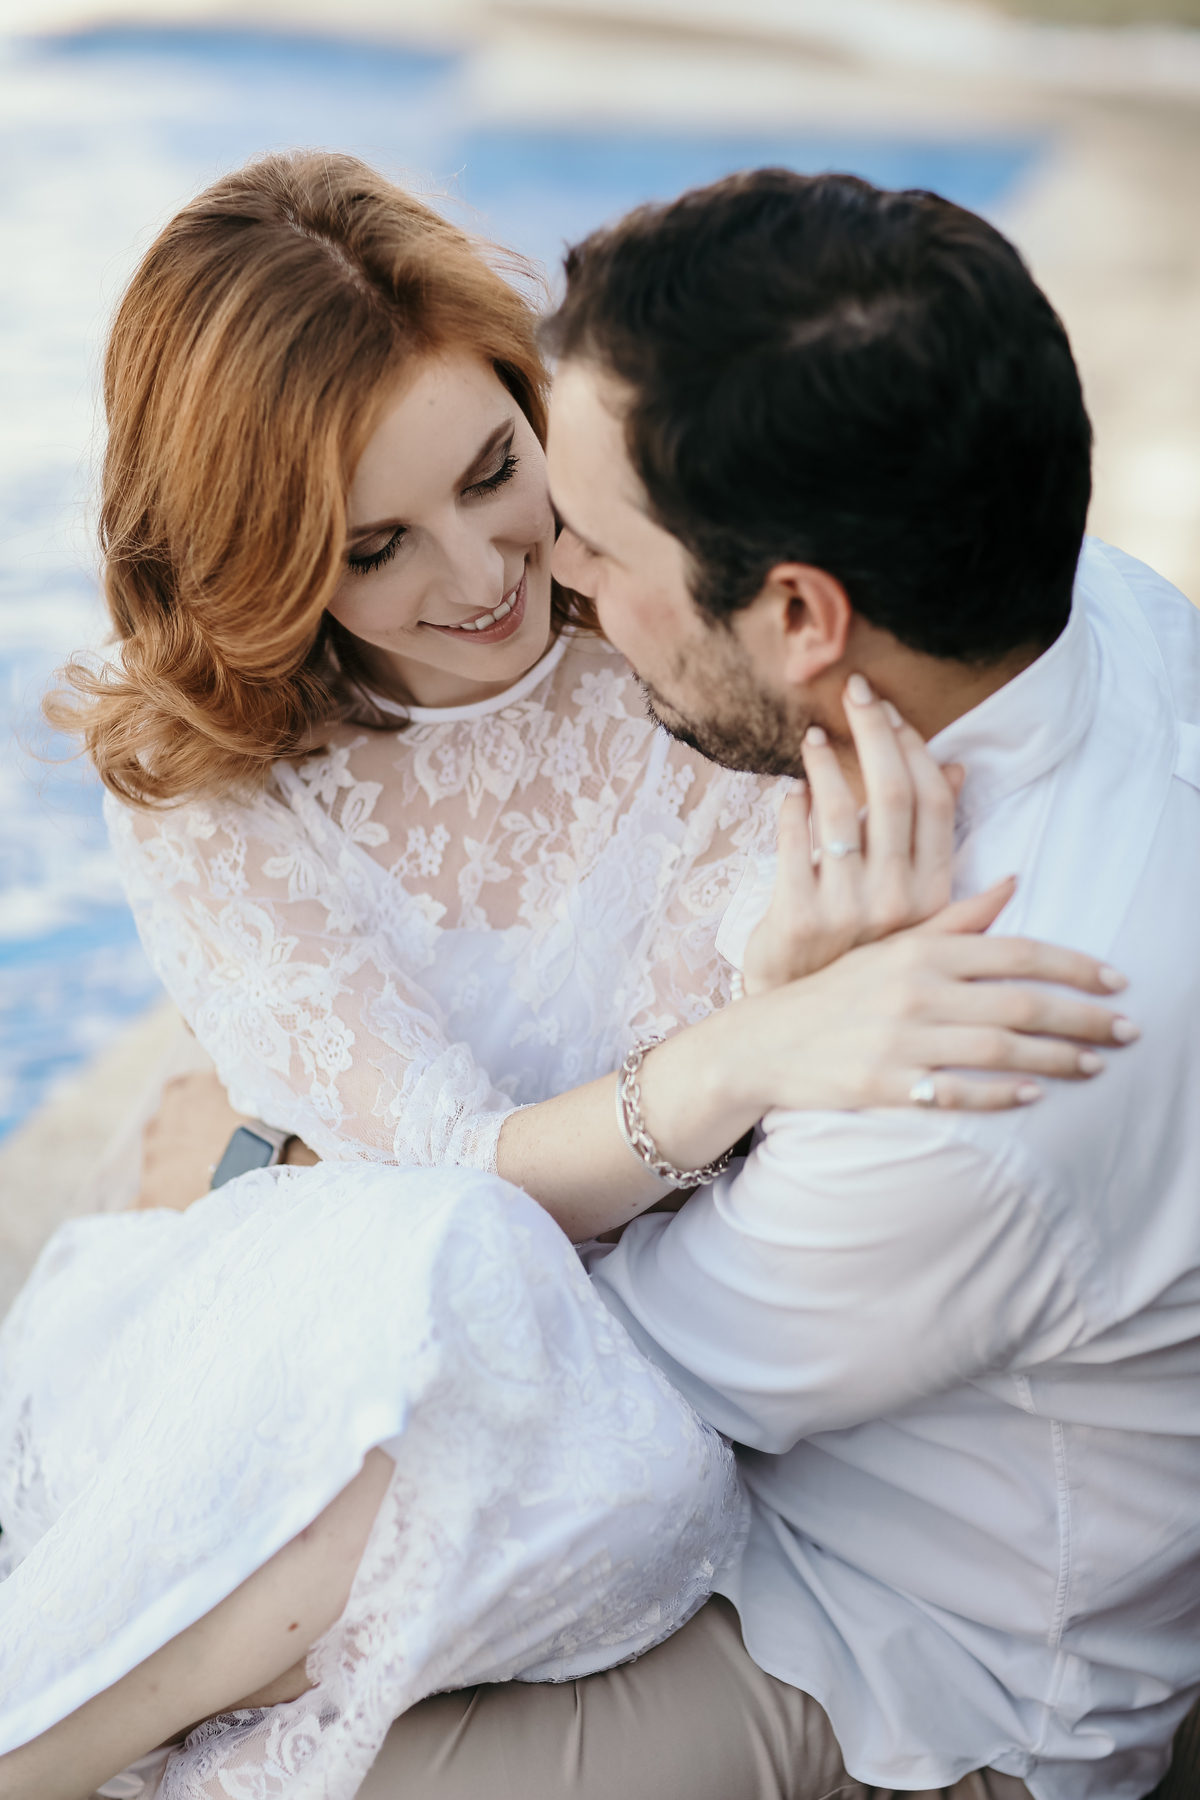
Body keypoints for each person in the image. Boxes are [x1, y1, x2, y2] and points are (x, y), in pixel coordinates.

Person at [0, 155, 1136, 1800]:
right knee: (433, 1275)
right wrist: (749, 1047)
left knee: (456, 1314)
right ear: (263, 565)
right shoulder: (216, 791)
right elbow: (452, 1180)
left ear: (536, 409)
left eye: (494, 471)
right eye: (373, 546)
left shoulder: (685, 636)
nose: (477, 578)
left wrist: (787, 1000)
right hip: (346, 1346)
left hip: (598, 1414)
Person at [357, 169, 1200, 1800]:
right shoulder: (1059, 598)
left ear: (804, 613)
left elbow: (565, 1382)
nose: (558, 585)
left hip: (909, 1643)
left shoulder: (996, 1040)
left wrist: (753, 1016)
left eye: (596, 545)